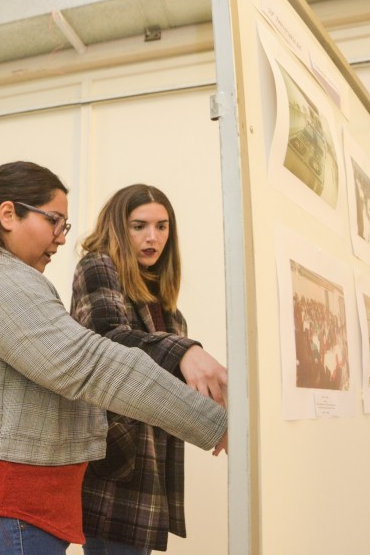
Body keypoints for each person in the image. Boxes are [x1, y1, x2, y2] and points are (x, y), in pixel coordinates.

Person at [0, 162, 227, 555]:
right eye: (54, 221)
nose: (61, 238)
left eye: (65, 226)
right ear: (8, 214)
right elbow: (89, 364)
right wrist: (216, 422)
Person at [71, 184, 228, 554]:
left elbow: (166, 384)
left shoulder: (162, 300)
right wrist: (186, 351)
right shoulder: (97, 265)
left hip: (151, 461)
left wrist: (215, 412)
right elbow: (107, 337)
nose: (152, 237)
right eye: (139, 226)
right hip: (113, 462)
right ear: (117, 227)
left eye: (162, 226)